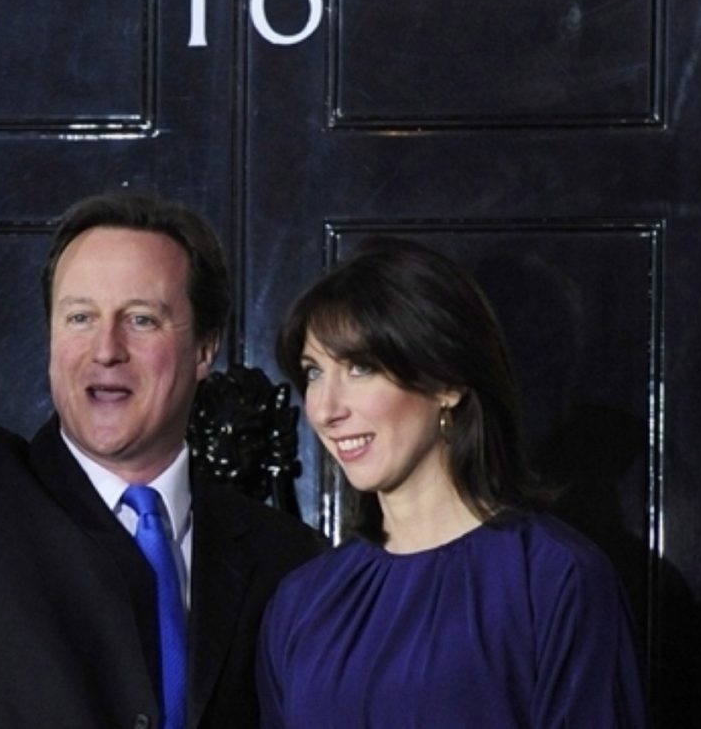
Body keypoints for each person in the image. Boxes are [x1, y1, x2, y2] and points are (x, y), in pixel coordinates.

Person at [0, 41, 323, 728]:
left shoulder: (287, 560)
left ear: (204, 351)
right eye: (79, 317)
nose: (106, 349)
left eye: (142, 319)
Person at [257, 239, 649, 727]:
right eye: (314, 372)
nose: (325, 408)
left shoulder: (555, 579)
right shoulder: (302, 601)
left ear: (448, 383)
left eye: (361, 367)